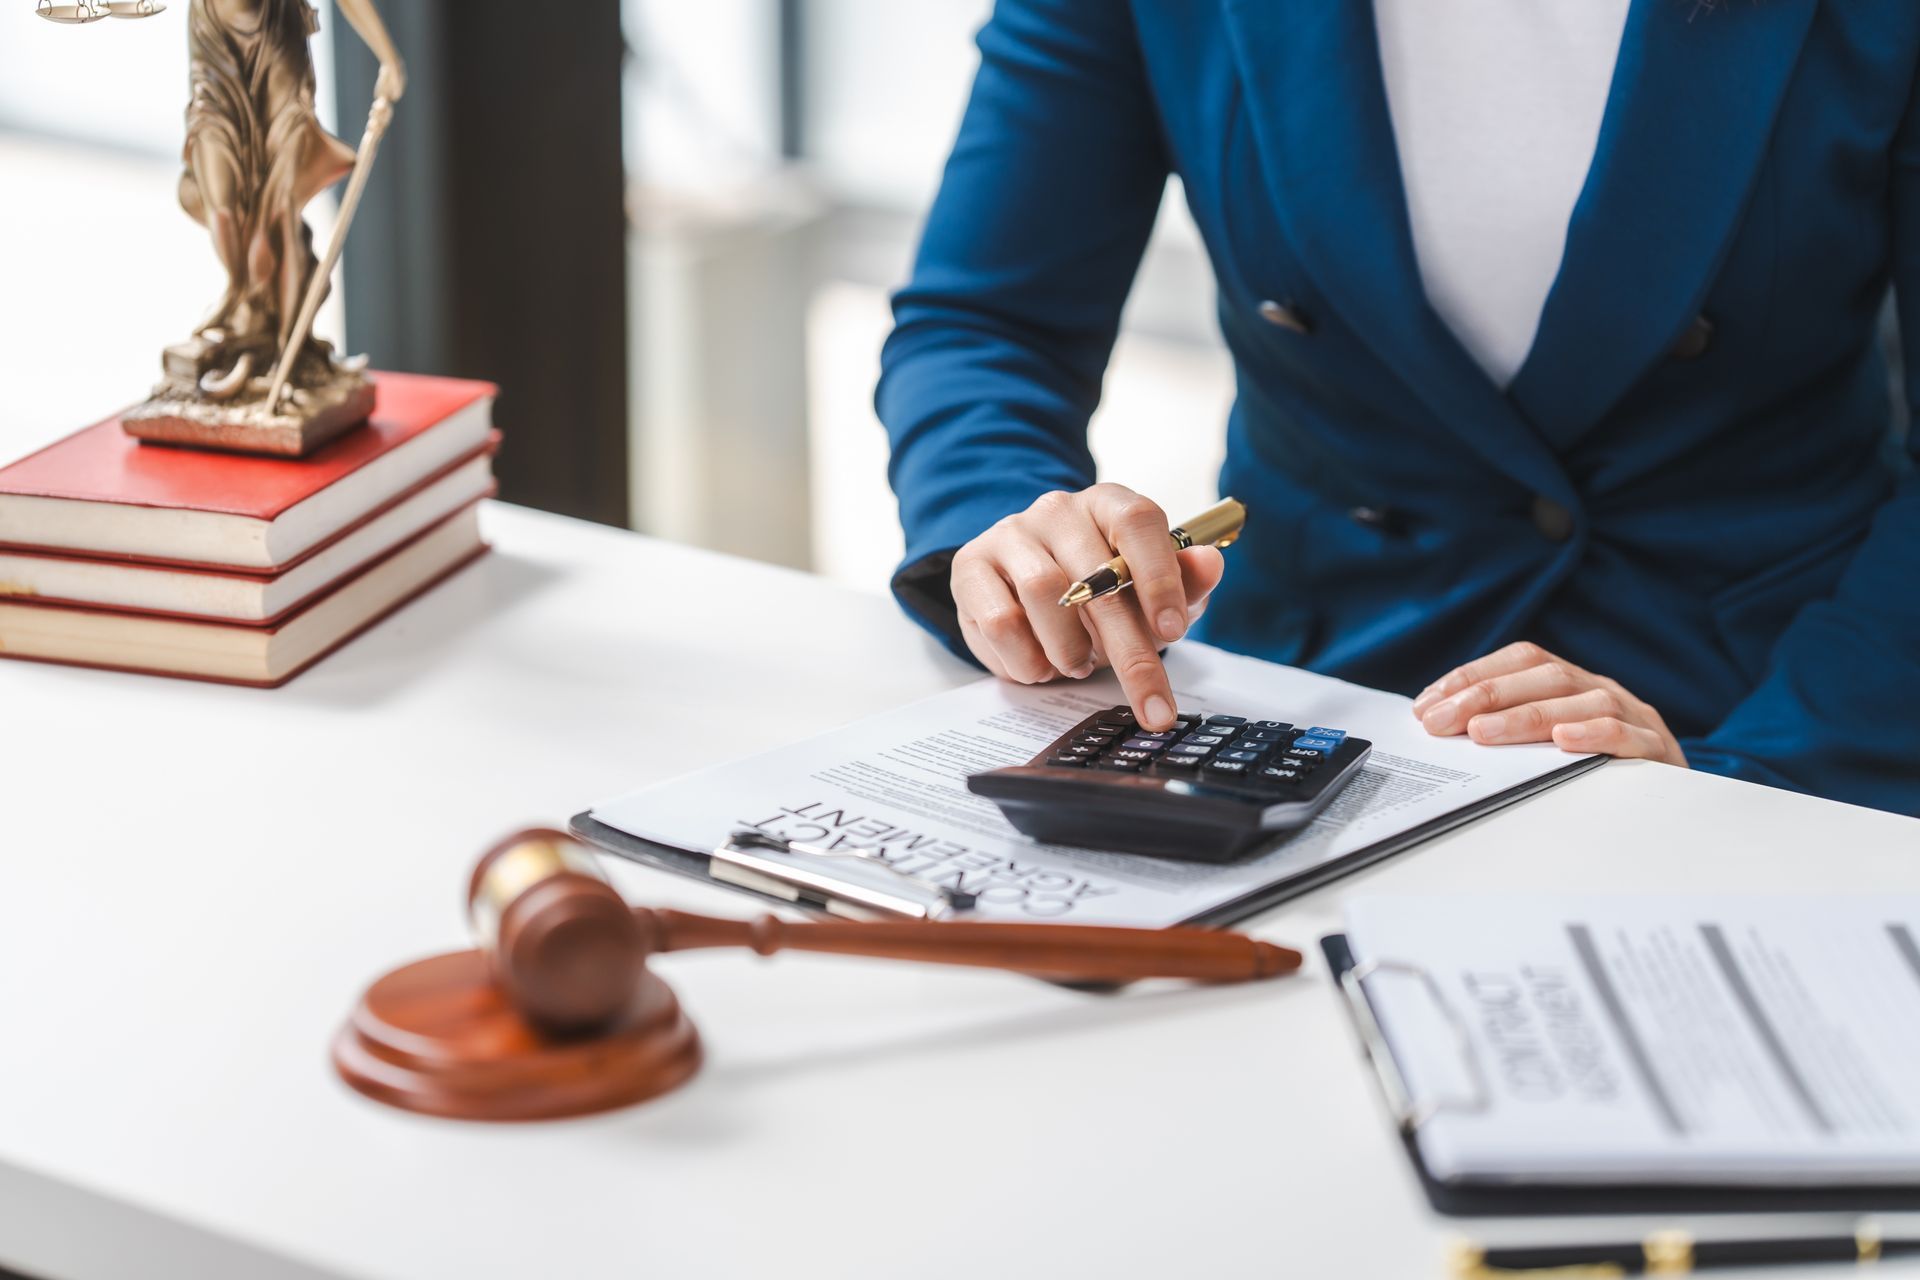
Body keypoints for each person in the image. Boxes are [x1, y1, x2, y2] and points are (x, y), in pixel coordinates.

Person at [876, 0, 1920, 817]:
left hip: (1773, 708)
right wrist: (1011, 539)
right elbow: (985, 322)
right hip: (1301, 711)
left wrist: (1750, 774)